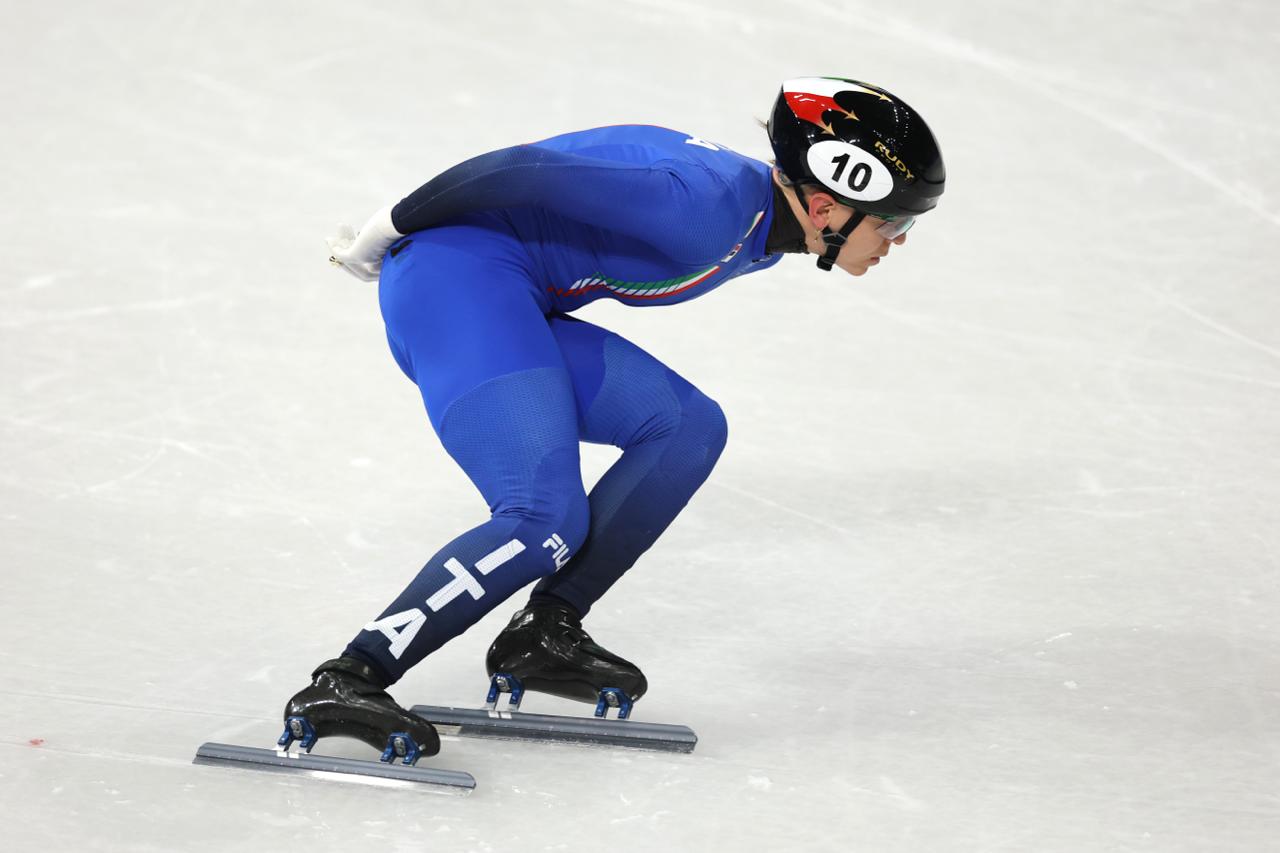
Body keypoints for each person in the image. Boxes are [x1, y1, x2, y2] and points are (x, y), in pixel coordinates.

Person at [283, 77, 946, 759]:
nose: (897, 241)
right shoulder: (705, 211)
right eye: (895, 223)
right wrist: (390, 226)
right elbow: (522, 169)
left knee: (687, 427)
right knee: (543, 519)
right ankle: (351, 676)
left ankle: (545, 630)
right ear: (826, 205)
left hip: (507, 293)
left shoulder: (763, 226)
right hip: (452, 283)